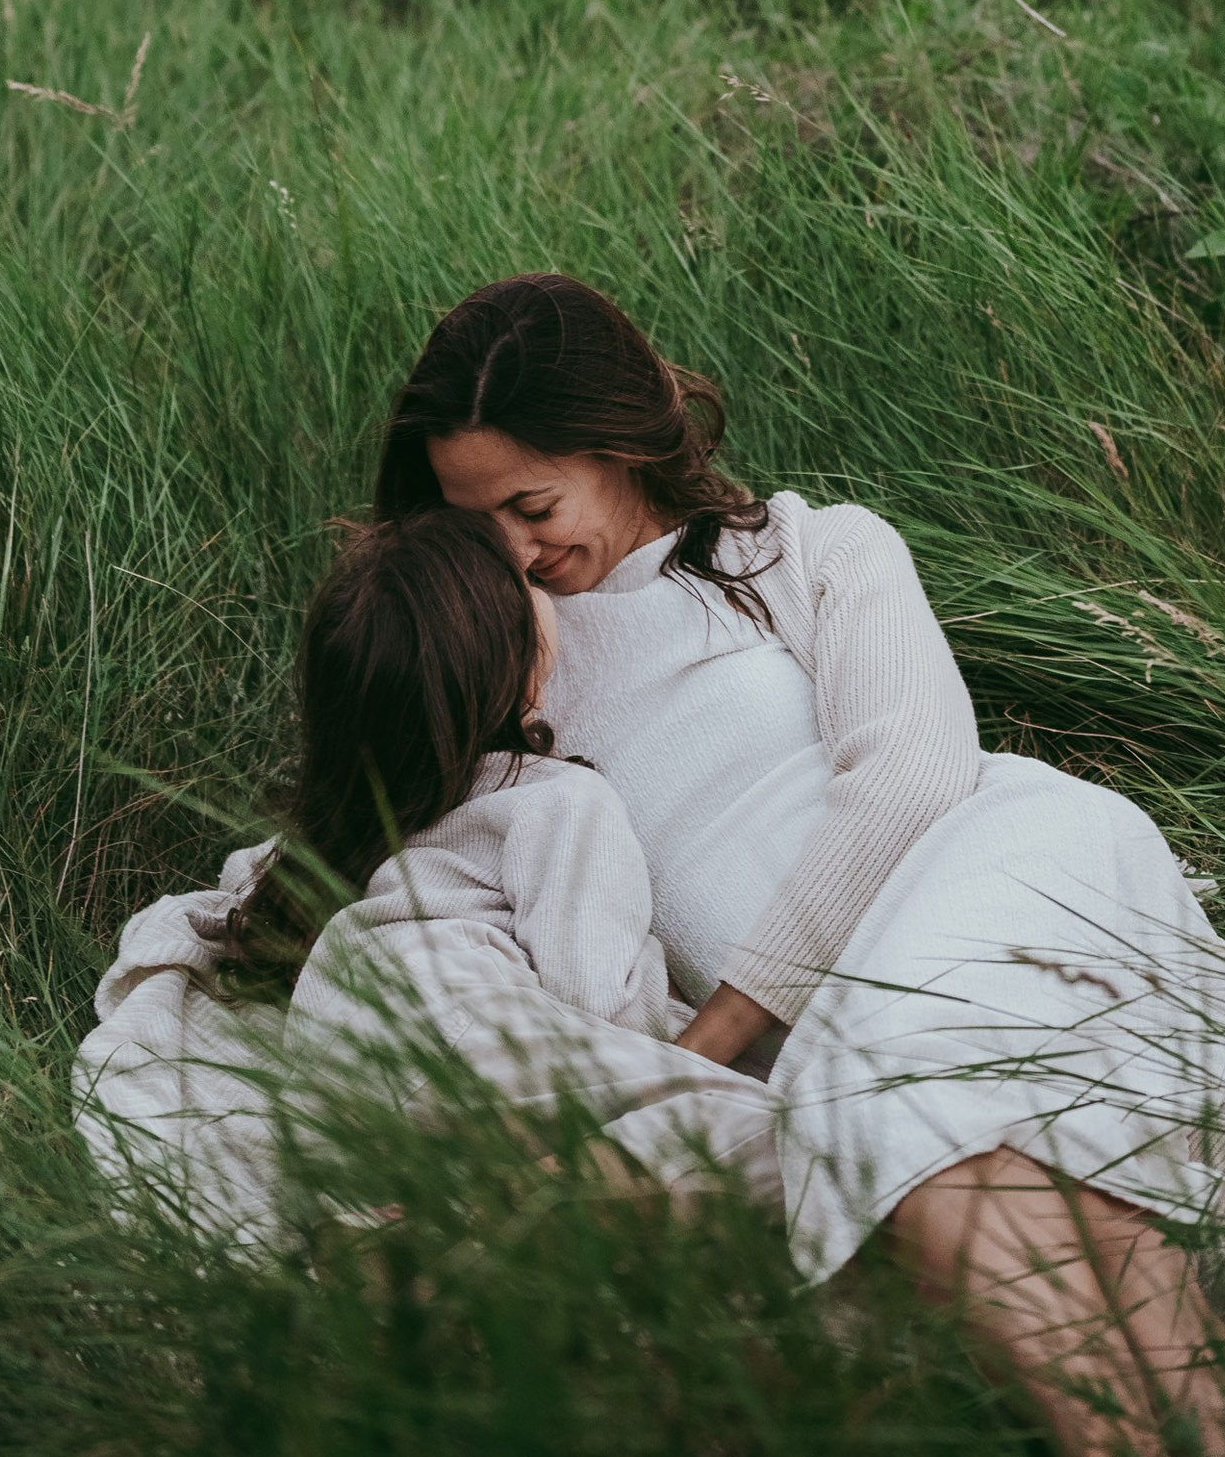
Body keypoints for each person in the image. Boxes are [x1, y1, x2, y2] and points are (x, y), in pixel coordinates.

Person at [379, 271, 1225, 1457]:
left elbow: (912, 770)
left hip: (998, 861)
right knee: (1001, 1155)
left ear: (617, 440)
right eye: (468, 520)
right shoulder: (496, 656)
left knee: (887, 1072)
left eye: (532, 508)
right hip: (856, 1018)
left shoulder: (807, 555)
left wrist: (728, 1035)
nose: (513, 552)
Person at [75, 505, 777, 1247]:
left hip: (341, 1044)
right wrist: (657, 1026)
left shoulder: (364, 813)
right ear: (511, 656)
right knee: (770, 1131)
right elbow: (589, 991)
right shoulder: (557, 798)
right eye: (523, 582)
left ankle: (417, 1228)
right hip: (461, 1017)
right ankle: (461, 1238)